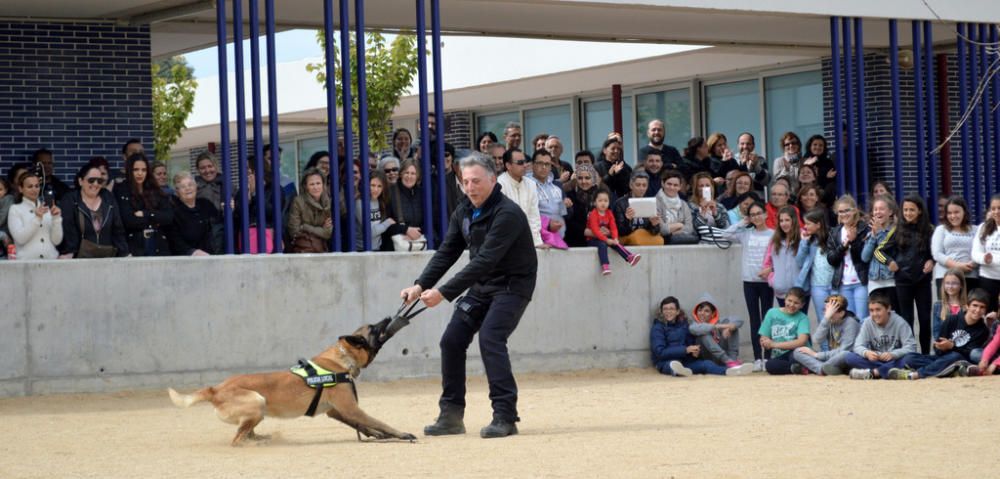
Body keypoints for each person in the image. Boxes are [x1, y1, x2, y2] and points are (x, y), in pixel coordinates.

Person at [400, 153, 536, 439]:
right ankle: (450, 416)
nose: (470, 187)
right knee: (451, 340)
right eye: (465, 182)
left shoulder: (507, 214)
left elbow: (484, 260)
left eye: (476, 181)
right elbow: (448, 252)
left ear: (491, 179)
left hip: (512, 285)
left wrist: (444, 293)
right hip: (482, 286)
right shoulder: (463, 211)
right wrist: (419, 284)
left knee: (490, 338)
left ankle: (505, 417)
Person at [720, 201, 775, 371]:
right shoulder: (746, 234)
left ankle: (768, 357)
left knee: (767, 319)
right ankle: (758, 357)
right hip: (749, 282)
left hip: (767, 282)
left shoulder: (773, 234)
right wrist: (742, 222)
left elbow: (778, 256)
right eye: (753, 215)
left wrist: (770, 269)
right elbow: (725, 235)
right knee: (754, 320)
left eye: (759, 213)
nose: (757, 217)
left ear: (766, 214)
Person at [877, 195, 934, 353]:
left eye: (912, 210)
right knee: (906, 320)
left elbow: (936, 251)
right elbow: (878, 251)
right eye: (905, 210)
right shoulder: (897, 229)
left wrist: (932, 261)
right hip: (903, 281)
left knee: (924, 319)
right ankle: (909, 353)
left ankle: (925, 354)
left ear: (920, 211)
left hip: (923, 281)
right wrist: (890, 262)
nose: (908, 213)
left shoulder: (929, 229)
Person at [891, 289, 991, 379]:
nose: (978, 310)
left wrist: (952, 346)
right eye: (975, 305)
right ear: (967, 305)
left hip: (959, 360)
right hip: (942, 358)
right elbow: (937, 348)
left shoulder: (982, 330)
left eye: (982, 307)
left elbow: (969, 354)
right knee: (910, 357)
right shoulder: (952, 319)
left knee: (955, 356)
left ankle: (916, 374)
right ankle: (948, 372)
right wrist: (940, 347)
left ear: (985, 310)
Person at [650, 296, 753, 377]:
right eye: (665, 309)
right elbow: (659, 352)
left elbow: (690, 343)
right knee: (672, 365)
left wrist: (694, 353)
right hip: (666, 361)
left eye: (671, 309)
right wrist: (685, 350)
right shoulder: (658, 327)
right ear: (661, 311)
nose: (668, 312)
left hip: (686, 362)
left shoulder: (684, 325)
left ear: (677, 311)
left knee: (707, 364)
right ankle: (678, 371)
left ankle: (730, 370)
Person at [58, 163, 128, 258]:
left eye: (99, 181)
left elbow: (118, 229)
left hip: (107, 255)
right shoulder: (70, 200)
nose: (95, 184)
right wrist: (70, 252)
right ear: (80, 181)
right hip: (79, 257)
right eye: (91, 180)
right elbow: (68, 230)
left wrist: (124, 253)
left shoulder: (108, 198)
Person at [845, 292, 918, 379]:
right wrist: (866, 353)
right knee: (850, 357)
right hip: (877, 360)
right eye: (871, 310)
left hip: (895, 359)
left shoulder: (900, 322)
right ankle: (889, 371)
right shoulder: (867, 323)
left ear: (888, 308)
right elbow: (857, 346)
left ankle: (874, 373)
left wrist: (893, 354)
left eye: (878, 310)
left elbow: (911, 347)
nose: (875, 314)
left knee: (910, 359)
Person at [114, 153, 173, 256]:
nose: (140, 173)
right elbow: (128, 220)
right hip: (134, 246)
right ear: (129, 170)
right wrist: (156, 219)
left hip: (158, 244)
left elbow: (168, 217)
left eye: (144, 170)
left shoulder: (154, 189)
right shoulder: (121, 189)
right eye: (136, 170)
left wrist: (146, 214)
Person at [793, 295, 860, 375]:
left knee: (845, 354)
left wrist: (816, 355)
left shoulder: (851, 323)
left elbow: (845, 350)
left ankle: (818, 369)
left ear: (841, 313)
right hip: (830, 359)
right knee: (798, 351)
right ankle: (823, 368)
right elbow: (817, 340)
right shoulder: (829, 320)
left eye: (831, 310)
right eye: (826, 310)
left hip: (846, 360)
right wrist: (826, 318)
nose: (827, 313)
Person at [827, 195, 871, 318]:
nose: (844, 214)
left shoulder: (864, 229)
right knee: (849, 321)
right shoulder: (834, 232)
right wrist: (844, 245)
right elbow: (831, 260)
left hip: (861, 282)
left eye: (847, 210)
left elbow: (865, 257)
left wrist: (854, 241)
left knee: (862, 319)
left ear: (854, 210)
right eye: (840, 211)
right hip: (842, 283)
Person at [7, 172, 63, 260]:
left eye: (37, 186)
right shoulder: (15, 209)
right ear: (21, 189)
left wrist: (56, 218)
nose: (34, 189)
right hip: (26, 264)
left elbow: (56, 241)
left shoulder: (47, 209)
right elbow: (20, 239)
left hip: (50, 262)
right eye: (30, 186)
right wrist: (37, 218)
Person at [497, 149, 544, 248]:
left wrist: (537, 242)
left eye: (525, 162)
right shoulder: (499, 185)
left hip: (528, 242)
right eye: (520, 163)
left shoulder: (531, 184)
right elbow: (500, 219)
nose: (525, 165)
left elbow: (534, 216)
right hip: (505, 243)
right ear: (508, 165)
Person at [587, 188, 640, 275]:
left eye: (606, 201)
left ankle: (629, 257)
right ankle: (605, 266)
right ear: (595, 202)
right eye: (600, 200)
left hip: (605, 237)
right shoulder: (593, 214)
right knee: (602, 244)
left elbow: (613, 227)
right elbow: (595, 231)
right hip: (593, 239)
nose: (603, 203)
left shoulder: (609, 213)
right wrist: (607, 240)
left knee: (616, 243)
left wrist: (615, 238)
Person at [759, 287, 811, 375]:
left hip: (797, 352)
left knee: (795, 357)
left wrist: (774, 344)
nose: (791, 305)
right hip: (779, 356)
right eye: (789, 301)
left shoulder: (803, 318)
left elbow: (802, 341)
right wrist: (765, 342)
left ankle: (802, 366)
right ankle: (796, 369)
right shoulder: (772, 313)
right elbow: (764, 336)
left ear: (802, 305)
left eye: (796, 303)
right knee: (770, 365)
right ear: (785, 299)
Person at [862, 195, 901, 313]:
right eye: (875, 209)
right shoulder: (871, 233)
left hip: (891, 281)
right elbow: (864, 257)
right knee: (877, 317)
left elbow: (882, 249)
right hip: (874, 282)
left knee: (893, 316)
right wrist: (873, 236)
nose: (878, 212)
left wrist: (879, 233)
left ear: (890, 212)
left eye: (881, 209)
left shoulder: (896, 232)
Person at [687, 293, 746, 369]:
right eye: (700, 310)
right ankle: (729, 362)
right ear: (696, 312)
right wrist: (718, 327)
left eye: (706, 311)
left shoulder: (721, 321)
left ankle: (733, 361)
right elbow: (694, 329)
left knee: (733, 327)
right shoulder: (694, 324)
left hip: (722, 359)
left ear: (713, 314)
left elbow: (739, 320)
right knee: (704, 333)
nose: (702, 313)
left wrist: (730, 327)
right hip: (706, 359)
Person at [932, 196, 978, 293]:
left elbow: (980, 251)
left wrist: (971, 265)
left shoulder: (976, 230)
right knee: (948, 308)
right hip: (946, 277)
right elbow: (937, 254)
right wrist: (957, 266)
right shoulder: (941, 229)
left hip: (970, 276)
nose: (953, 216)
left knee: (968, 307)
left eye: (956, 212)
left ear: (964, 212)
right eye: (949, 213)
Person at [166, 172, 216, 256]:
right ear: (177, 191)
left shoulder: (206, 204)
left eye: (190, 185)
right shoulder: (173, 211)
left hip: (210, 257)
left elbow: (218, 225)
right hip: (185, 259)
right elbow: (174, 239)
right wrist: (191, 252)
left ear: (196, 186)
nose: (187, 188)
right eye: (182, 187)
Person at [797, 208, 835, 319]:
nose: (805, 226)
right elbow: (799, 262)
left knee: (837, 317)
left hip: (835, 284)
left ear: (818, 224)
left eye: (808, 223)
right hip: (817, 286)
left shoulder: (833, 236)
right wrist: (803, 242)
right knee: (822, 318)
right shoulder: (809, 240)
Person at [763, 206, 802, 307]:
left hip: (800, 291)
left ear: (794, 220)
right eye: (781, 220)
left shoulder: (803, 239)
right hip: (781, 291)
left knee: (800, 321)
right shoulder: (775, 240)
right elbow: (767, 262)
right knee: (786, 321)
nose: (784, 223)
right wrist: (773, 281)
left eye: (787, 220)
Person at [287, 168, 332, 254]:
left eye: (318, 183)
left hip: (322, 248)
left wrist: (306, 227)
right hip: (304, 249)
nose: (316, 187)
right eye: (312, 184)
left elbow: (327, 233)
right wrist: (320, 230)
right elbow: (294, 231)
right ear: (306, 186)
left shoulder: (328, 202)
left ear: (323, 184)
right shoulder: (298, 201)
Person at [527, 149, 568, 243]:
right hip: (537, 241)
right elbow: (527, 214)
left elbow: (566, 215)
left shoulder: (557, 186)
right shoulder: (526, 185)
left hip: (559, 239)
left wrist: (565, 205)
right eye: (540, 163)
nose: (544, 167)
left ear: (550, 167)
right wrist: (548, 225)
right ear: (532, 165)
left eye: (547, 164)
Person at [384, 158, 424, 250]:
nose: (409, 176)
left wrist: (417, 232)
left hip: (419, 245)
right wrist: (406, 230)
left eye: (413, 173)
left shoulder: (422, 193)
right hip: (395, 248)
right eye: (406, 172)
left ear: (417, 176)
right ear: (401, 174)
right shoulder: (390, 193)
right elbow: (385, 223)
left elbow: (430, 221)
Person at [613, 171, 663, 246]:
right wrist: (627, 220)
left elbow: (655, 232)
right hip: (627, 237)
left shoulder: (650, 203)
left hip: (644, 236)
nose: (641, 188)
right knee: (637, 238)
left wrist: (654, 224)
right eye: (638, 185)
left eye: (644, 185)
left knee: (660, 240)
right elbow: (620, 231)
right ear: (631, 185)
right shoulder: (620, 204)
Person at [973, 194, 1000, 313]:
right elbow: (975, 253)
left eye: (999, 208)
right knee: (989, 314)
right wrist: (984, 258)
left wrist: (993, 259)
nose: (996, 211)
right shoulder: (983, 227)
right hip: (987, 278)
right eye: (993, 208)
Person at [564, 164, 601, 248]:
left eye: (587, 178)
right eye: (580, 178)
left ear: (593, 179)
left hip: (597, 242)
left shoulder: (601, 196)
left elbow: (607, 216)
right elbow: (569, 223)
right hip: (575, 244)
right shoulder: (570, 196)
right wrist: (588, 232)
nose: (584, 181)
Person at [355, 171, 394, 251]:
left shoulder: (380, 201)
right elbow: (370, 232)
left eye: (379, 186)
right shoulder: (360, 203)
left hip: (377, 247)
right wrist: (387, 223)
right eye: (372, 185)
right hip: (361, 249)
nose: (376, 189)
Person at [656, 170, 697, 244]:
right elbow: (662, 230)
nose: (672, 187)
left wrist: (672, 233)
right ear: (662, 183)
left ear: (680, 187)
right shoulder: (655, 202)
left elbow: (689, 228)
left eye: (675, 185)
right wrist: (679, 225)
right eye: (669, 184)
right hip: (662, 239)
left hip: (680, 238)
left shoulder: (683, 204)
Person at [688, 172, 730, 241]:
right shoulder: (690, 206)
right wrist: (703, 212)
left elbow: (724, 226)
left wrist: (715, 213)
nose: (704, 188)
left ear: (711, 187)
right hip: (699, 243)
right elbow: (693, 229)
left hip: (718, 242)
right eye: (701, 186)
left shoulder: (720, 206)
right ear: (696, 188)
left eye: (707, 185)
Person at [931, 270, 968, 341]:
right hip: (943, 346)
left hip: (962, 346)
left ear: (961, 285)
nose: (950, 286)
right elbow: (936, 333)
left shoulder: (967, 307)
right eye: (947, 283)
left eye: (954, 283)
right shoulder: (938, 305)